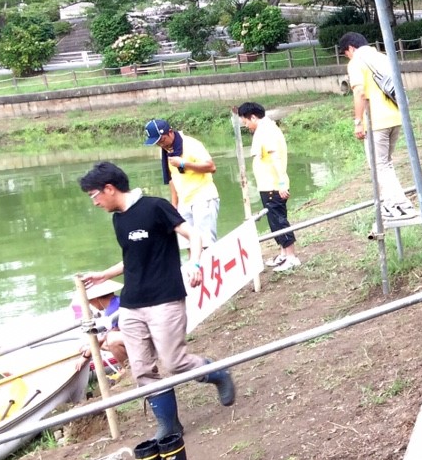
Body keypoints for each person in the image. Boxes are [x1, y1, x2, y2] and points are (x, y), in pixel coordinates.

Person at [77, 161, 235, 441]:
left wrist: (195, 264)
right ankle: (169, 425)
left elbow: (193, 235)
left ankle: (216, 373)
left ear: (109, 188)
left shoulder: (155, 207)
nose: (95, 202)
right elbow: (132, 257)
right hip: (131, 304)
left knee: (174, 362)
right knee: (142, 369)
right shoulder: (118, 220)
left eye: (94, 195)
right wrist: (104, 275)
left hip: (165, 299)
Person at [336, 32, 415, 221]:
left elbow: (360, 93)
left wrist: (358, 122)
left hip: (376, 121)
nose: (347, 57)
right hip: (396, 116)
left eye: (346, 53)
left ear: (351, 48)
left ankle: (394, 206)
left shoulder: (356, 61)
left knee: (379, 165)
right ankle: (402, 204)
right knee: (386, 164)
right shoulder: (382, 57)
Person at [237, 102, 299, 272]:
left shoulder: (266, 130)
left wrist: (282, 183)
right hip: (267, 185)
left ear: (253, 117)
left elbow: (275, 157)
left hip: (274, 185)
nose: (246, 126)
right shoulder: (264, 129)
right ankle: (283, 253)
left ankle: (291, 257)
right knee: (273, 221)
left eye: (246, 122)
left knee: (279, 220)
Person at [143, 118, 220, 243]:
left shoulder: (190, 144)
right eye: (157, 143)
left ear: (170, 132)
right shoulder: (166, 151)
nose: (161, 145)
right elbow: (172, 178)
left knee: (205, 242)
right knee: (189, 244)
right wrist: (174, 206)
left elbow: (211, 167)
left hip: (203, 197)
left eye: (162, 140)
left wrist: (183, 163)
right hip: (183, 202)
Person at [73, 277, 127, 373]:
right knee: (102, 343)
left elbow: (103, 338)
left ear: (95, 299)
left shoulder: (112, 310)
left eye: (90, 301)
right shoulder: (118, 300)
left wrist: (85, 356)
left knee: (107, 341)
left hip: (137, 338)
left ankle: (127, 368)